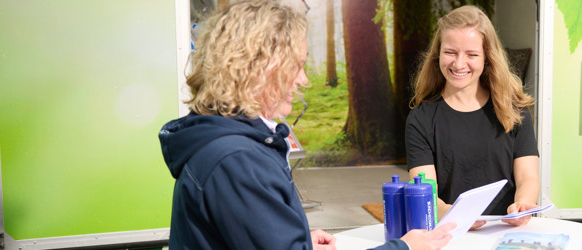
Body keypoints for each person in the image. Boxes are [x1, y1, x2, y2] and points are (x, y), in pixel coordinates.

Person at [158, 1, 454, 249]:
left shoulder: (229, 143)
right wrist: (406, 247)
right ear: (261, 68)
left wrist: (297, 240)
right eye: (296, 66)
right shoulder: (238, 160)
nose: (304, 80)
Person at [405, 5, 540, 230]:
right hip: (450, 235)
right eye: (450, 52)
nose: (459, 64)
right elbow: (426, 196)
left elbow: (528, 178)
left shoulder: (515, 110)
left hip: (507, 234)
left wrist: (523, 205)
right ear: (438, 53)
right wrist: (457, 214)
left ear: (487, 57)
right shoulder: (420, 121)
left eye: (471, 54)